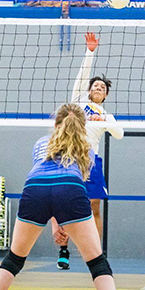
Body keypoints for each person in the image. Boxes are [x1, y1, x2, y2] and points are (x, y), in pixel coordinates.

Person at [0, 104, 135, 290]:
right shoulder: (87, 149)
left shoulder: (40, 143)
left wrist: (55, 223)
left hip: (35, 189)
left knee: (14, 259)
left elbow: (48, 183)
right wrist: (66, 222)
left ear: (55, 123)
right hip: (69, 190)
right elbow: (67, 187)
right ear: (83, 126)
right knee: (96, 261)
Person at [54, 32, 124, 270]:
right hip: (70, 158)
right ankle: (64, 250)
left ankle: (97, 253)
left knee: (94, 205)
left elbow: (119, 133)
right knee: (65, 204)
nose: (97, 87)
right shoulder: (78, 101)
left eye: (102, 87)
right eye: (95, 85)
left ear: (105, 95)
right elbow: (83, 75)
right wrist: (90, 51)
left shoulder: (107, 115)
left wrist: (102, 119)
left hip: (91, 162)